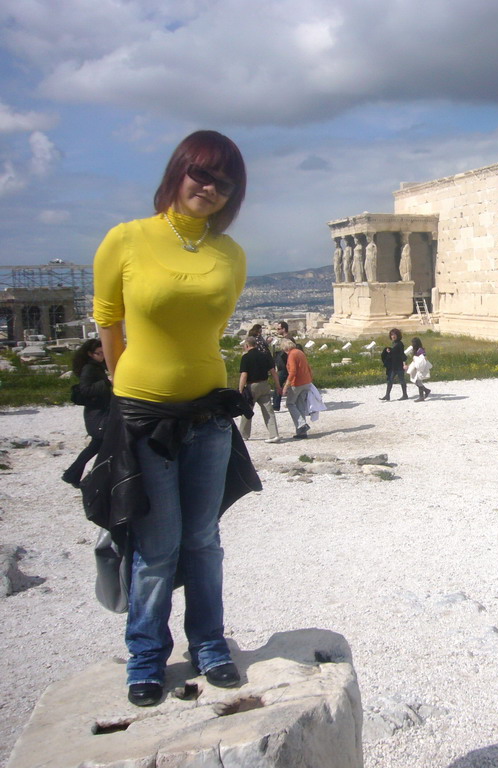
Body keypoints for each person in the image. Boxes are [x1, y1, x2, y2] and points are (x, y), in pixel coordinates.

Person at [91, 130, 253, 707]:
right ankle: (146, 655)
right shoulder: (127, 239)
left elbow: (210, 328)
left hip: (208, 413)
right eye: (201, 175)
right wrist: (123, 379)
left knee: (204, 539)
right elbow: (108, 319)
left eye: (224, 183)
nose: (210, 189)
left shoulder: (230, 255)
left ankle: (210, 644)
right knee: (157, 545)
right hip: (145, 414)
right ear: (179, 171)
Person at [61, 339, 112, 487]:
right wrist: (107, 383)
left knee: (96, 446)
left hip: (100, 411)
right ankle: (73, 474)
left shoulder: (97, 366)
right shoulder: (89, 368)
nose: (102, 356)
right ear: (90, 354)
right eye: (99, 353)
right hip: (96, 413)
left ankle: (73, 475)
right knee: (97, 445)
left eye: (103, 353)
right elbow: (85, 389)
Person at [238, 336, 281, 443]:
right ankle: (274, 434)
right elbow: (273, 372)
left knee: (247, 410)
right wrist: (278, 386)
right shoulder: (265, 355)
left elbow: (244, 375)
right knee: (268, 410)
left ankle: (244, 435)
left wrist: (240, 389)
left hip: (252, 386)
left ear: (247, 345)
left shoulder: (246, 357)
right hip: (264, 384)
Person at [279, 337, 313, 438]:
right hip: (306, 382)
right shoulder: (300, 352)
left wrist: (286, 386)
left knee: (290, 403)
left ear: (285, 348)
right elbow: (308, 367)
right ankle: (301, 433)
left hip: (297, 383)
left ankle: (302, 425)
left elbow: (293, 371)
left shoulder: (291, 355)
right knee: (300, 406)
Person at [380, 328, 408, 401]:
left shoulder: (400, 344)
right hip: (394, 366)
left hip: (399, 365)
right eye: (392, 335)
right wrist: (389, 350)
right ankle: (387, 395)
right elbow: (394, 353)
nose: (393, 336)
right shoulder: (394, 343)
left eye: (394, 334)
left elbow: (402, 354)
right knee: (390, 380)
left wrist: (404, 364)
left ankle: (405, 395)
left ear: (397, 335)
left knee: (401, 380)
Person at [271, 321, 293, 411]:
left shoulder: (289, 339)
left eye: (279, 329)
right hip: (283, 365)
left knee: (279, 385)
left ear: (284, 329)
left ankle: (276, 405)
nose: (277, 330)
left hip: (285, 366)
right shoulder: (284, 338)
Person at [406, 336, 433, 401]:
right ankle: (426, 390)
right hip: (416, 367)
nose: (413, 344)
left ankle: (421, 396)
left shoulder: (421, 350)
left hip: (420, 368)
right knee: (415, 380)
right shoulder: (415, 350)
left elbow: (424, 359)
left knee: (418, 381)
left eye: (414, 343)